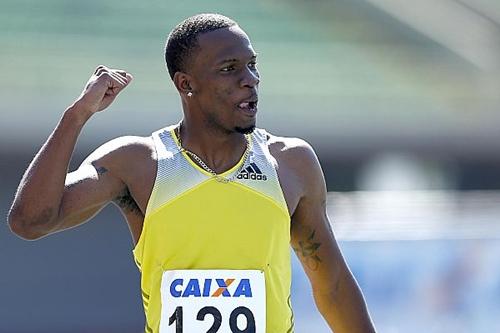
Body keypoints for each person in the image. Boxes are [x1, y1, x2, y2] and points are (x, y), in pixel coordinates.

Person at [8, 13, 376, 333]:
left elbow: (333, 285)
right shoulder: (139, 163)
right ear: (186, 85)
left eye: (252, 64)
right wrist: (77, 116)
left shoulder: (291, 162)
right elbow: (30, 221)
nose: (250, 79)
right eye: (229, 69)